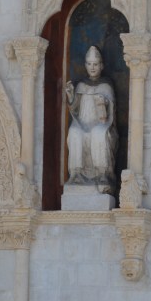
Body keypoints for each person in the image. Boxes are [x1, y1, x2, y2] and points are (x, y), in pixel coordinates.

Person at [64, 45, 117, 193]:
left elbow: (111, 113)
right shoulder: (81, 85)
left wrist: (104, 103)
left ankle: (102, 174)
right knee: (74, 133)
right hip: (81, 124)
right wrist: (71, 96)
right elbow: (75, 109)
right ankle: (76, 174)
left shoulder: (106, 86)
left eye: (95, 64)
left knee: (98, 134)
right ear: (85, 65)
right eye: (89, 64)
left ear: (101, 66)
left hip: (100, 124)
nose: (92, 67)